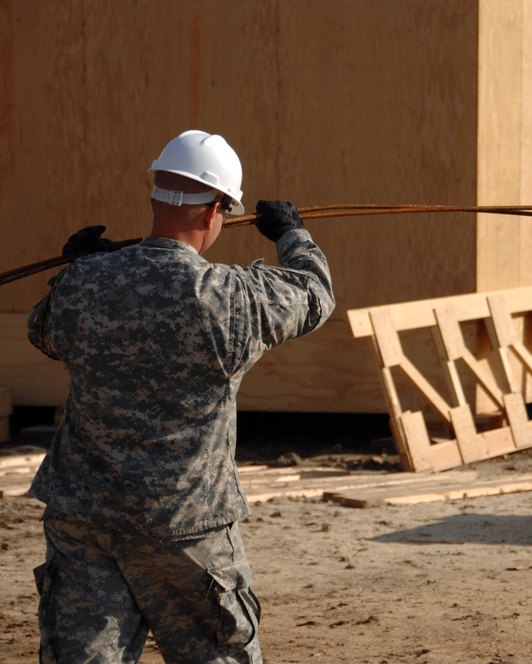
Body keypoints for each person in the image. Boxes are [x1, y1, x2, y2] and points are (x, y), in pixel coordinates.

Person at [26, 129, 335, 663]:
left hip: (84, 518)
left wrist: (77, 269)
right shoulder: (231, 299)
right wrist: (291, 234)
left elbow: (45, 331)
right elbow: (313, 294)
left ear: (155, 197)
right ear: (218, 209)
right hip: (186, 528)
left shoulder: (84, 285)